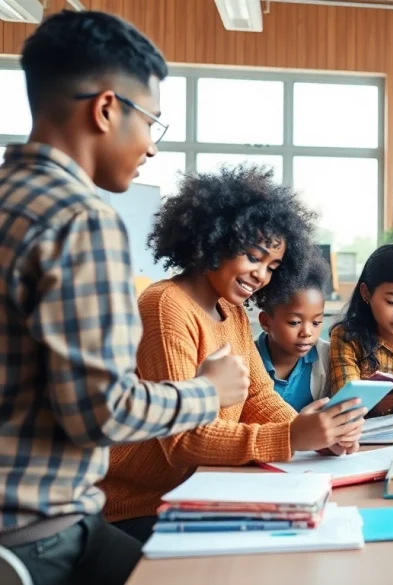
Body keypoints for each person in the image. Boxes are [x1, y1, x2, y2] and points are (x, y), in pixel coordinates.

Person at [0, 11, 248, 585]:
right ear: (106, 109)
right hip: (40, 535)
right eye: (151, 123)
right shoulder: (80, 220)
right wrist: (206, 392)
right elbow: (101, 411)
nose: (152, 150)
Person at [99, 166, 366, 544]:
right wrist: (292, 436)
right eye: (253, 257)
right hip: (140, 507)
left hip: (197, 492)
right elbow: (183, 443)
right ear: (215, 240)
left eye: (273, 267)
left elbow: (258, 396)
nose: (262, 275)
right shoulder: (165, 306)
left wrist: (315, 434)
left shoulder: (233, 311)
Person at [330, 244, 393, 416]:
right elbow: (345, 402)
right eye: (392, 301)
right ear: (366, 293)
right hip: (364, 437)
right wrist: (372, 407)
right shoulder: (347, 337)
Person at [255, 255, 333, 412]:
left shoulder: (328, 357)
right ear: (266, 321)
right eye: (294, 322)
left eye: (316, 323)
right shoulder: (249, 359)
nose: (307, 332)